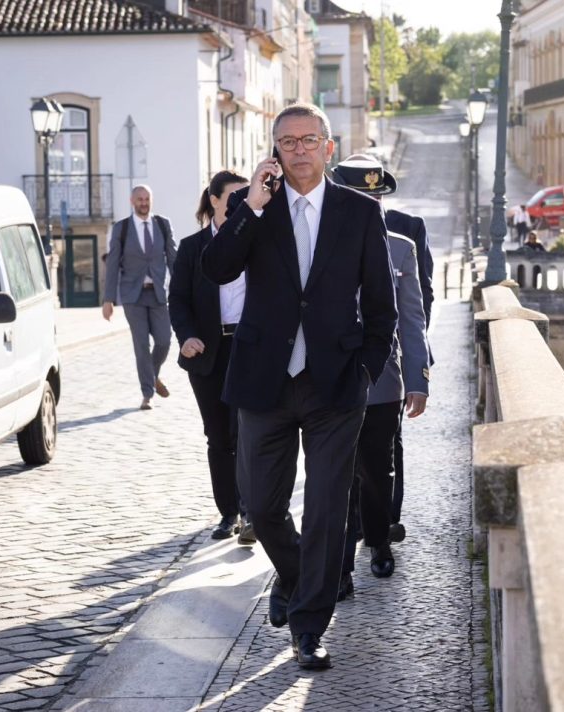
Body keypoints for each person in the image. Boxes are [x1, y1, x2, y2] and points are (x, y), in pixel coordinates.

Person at [201, 103, 396, 670]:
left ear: (328, 148)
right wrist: (250, 209)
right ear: (274, 151)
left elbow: (381, 304)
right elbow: (216, 269)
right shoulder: (251, 209)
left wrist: (366, 368)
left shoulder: (359, 212)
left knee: (327, 510)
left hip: (336, 384)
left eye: (310, 140)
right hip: (265, 380)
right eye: (288, 142)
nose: (300, 150)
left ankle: (309, 627)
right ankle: (292, 576)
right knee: (261, 508)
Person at [331, 157, 429, 599]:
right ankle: (342, 562)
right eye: (362, 196)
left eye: (376, 196)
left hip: (383, 380)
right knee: (337, 473)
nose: (371, 203)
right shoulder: (322, 243)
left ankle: (377, 540)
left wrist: (418, 379)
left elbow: (412, 319)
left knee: (378, 468)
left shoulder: (401, 248)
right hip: (333, 376)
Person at [168, 171, 255, 544]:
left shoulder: (258, 241)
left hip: (250, 349)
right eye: (233, 197)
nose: (238, 204)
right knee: (219, 435)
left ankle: (252, 511)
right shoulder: (192, 247)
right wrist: (186, 337)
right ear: (214, 200)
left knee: (248, 431)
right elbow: (179, 300)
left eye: (245, 197)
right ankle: (228, 513)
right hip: (207, 352)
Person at [103, 185, 178, 410]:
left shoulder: (163, 225)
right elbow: (113, 264)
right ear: (132, 201)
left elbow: (173, 259)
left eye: (147, 199)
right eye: (139, 199)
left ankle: (152, 375)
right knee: (142, 345)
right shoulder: (122, 229)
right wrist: (108, 300)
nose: (144, 203)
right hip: (132, 296)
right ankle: (148, 393)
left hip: (158, 294)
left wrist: (184, 290)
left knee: (165, 340)